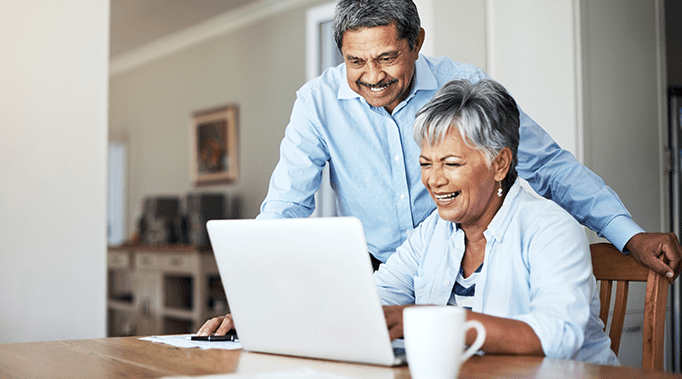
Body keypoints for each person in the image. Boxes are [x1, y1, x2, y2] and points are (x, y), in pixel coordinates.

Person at [196, 0, 680, 336]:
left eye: (387, 57)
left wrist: (627, 234)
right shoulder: (318, 103)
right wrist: (256, 305)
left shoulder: (464, 87)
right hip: (391, 271)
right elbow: (285, 207)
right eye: (355, 61)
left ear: (416, 41)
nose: (372, 76)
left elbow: (549, 166)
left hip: (474, 268)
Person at [377, 78, 619, 364]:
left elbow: (558, 337)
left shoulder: (551, 228)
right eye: (426, 163)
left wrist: (439, 322)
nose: (433, 180)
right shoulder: (433, 231)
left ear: (500, 164)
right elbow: (376, 300)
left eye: (451, 163)